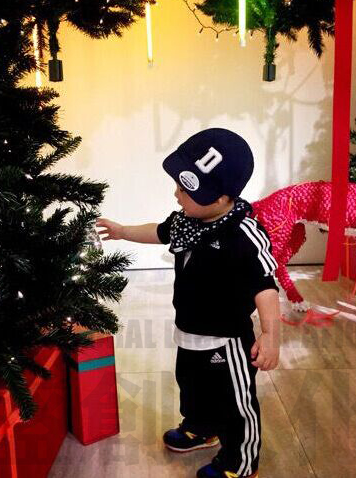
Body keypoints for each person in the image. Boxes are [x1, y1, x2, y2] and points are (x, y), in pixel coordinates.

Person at [96, 128, 280, 478]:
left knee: (234, 403)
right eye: (178, 185)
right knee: (192, 386)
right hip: (189, 331)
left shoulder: (243, 235)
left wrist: (271, 335)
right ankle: (201, 427)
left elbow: (265, 286)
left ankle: (241, 461)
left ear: (221, 198)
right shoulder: (186, 221)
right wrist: (123, 231)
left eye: (186, 189)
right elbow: (158, 231)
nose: (176, 193)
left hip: (226, 340)